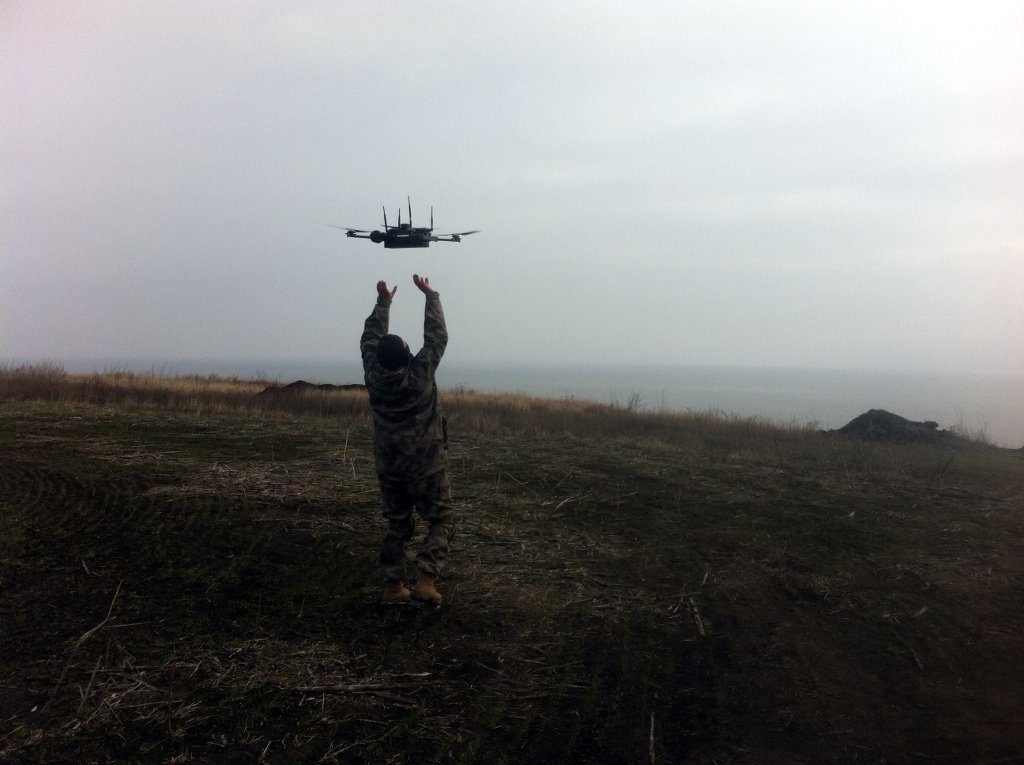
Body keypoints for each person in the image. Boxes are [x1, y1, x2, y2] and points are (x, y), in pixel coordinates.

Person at [360, 274, 454, 605]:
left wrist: (383, 303)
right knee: (441, 519)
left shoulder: (373, 376)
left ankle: (392, 588)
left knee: (397, 525)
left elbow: (370, 338)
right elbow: (437, 337)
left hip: (390, 466)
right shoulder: (419, 375)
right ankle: (426, 581)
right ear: (407, 357)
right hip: (427, 465)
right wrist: (430, 295)